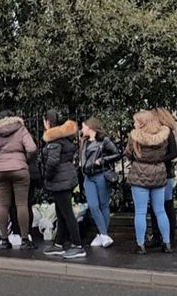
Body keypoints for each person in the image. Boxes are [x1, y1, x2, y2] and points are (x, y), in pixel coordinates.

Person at [0, 110, 38, 250]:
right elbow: (32, 148)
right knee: (21, 205)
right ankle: (25, 239)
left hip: (2, 171)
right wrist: (24, 160)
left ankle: (4, 240)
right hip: (20, 169)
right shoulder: (20, 128)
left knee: (4, 205)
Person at [125, 111, 172, 254]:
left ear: (142, 123)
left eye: (136, 121)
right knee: (160, 210)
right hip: (158, 174)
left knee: (140, 212)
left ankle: (141, 245)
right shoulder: (163, 136)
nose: (134, 124)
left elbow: (128, 154)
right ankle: (167, 243)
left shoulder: (135, 137)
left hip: (140, 175)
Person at [41, 112, 84, 259]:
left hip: (60, 180)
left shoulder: (54, 141)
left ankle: (77, 245)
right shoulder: (65, 138)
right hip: (67, 178)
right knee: (61, 213)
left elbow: (52, 162)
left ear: (48, 122)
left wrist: (47, 176)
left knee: (67, 214)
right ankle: (58, 244)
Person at [79, 117, 121, 248]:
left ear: (90, 128)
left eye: (83, 126)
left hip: (101, 175)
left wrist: (101, 161)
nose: (82, 129)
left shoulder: (104, 141)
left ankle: (101, 234)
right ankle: (104, 235)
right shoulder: (84, 141)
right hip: (88, 177)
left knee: (103, 205)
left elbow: (117, 154)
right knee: (93, 205)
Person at [147, 108, 177, 248]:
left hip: (166, 173)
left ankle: (169, 236)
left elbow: (173, 153)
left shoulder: (167, 132)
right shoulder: (154, 133)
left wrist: (159, 159)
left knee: (166, 204)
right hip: (156, 173)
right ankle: (157, 235)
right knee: (155, 205)